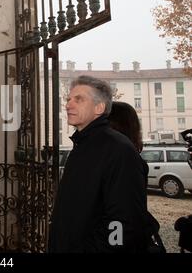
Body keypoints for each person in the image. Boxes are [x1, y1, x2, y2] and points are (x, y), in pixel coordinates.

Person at [48, 76, 147, 252]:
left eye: (79, 99)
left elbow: (123, 222)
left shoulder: (118, 149)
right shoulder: (82, 145)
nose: (68, 105)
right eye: (69, 99)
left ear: (99, 108)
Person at [108, 101, 166, 253]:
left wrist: (115, 243)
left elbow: (121, 213)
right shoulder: (124, 155)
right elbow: (124, 213)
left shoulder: (118, 155)